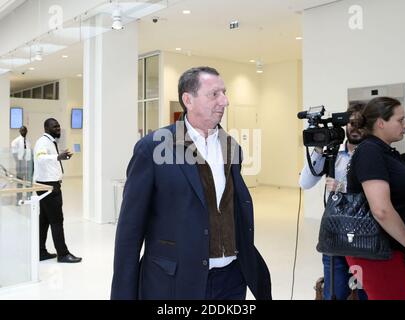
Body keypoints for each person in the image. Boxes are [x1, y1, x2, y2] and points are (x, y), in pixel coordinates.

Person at [111, 66, 271, 300]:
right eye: (214, 94)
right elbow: (129, 230)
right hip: (177, 282)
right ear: (188, 99)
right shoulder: (153, 148)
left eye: (224, 93)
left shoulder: (231, 147)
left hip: (232, 280)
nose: (224, 101)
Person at [346, 97, 405, 300]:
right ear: (381, 123)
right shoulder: (369, 152)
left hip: (391, 250)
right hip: (376, 252)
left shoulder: (386, 152)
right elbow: (381, 210)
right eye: (400, 120)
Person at [299, 102, 368, 300]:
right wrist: (319, 150)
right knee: (334, 293)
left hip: (365, 236)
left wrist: (343, 188)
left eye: (361, 123)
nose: (355, 128)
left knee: (364, 293)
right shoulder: (334, 154)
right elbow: (305, 182)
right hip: (335, 234)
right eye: (351, 122)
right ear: (345, 124)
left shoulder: (374, 154)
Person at [33, 118, 82, 263]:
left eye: (59, 126)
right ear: (46, 128)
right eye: (55, 127)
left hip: (46, 184)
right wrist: (57, 156)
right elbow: (40, 158)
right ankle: (63, 254)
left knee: (45, 220)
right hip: (48, 186)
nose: (58, 129)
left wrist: (60, 157)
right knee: (57, 220)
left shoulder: (50, 142)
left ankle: (40, 251)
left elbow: (47, 160)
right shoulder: (43, 141)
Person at [11, 126, 33, 203]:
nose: (24, 132)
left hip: (28, 166)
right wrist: (19, 163)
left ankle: (28, 198)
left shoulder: (28, 141)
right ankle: (18, 199)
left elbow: (29, 154)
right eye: (22, 130)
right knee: (19, 183)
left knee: (28, 183)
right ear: (20, 131)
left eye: (25, 130)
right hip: (20, 165)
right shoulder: (15, 141)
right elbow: (14, 154)